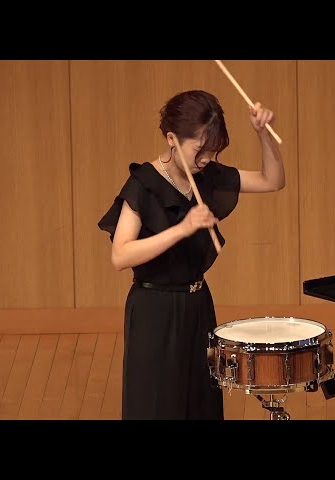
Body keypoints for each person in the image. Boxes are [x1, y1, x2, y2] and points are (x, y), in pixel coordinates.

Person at [98, 89, 285, 420]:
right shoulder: (144, 183)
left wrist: (263, 134)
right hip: (154, 311)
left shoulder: (208, 176)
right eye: (199, 150)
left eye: (213, 151)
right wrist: (181, 229)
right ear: (172, 139)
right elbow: (120, 255)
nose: (206, 160)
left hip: (198, 306)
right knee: (157, 407)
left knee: (201, 405)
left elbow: (273, 180)